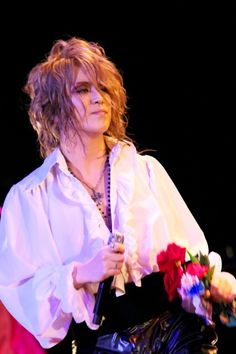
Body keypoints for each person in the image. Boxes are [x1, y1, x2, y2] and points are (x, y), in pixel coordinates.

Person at [0, 36, 234, 354]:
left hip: (177, 335)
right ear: (54, 106)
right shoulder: (30, 198)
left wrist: (206, 289)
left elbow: (192, 256)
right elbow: (24, 293)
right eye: (83, 89)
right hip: (100, 343)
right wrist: (82, 272)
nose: (99, 98)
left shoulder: (145, 171)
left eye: (104, 88)